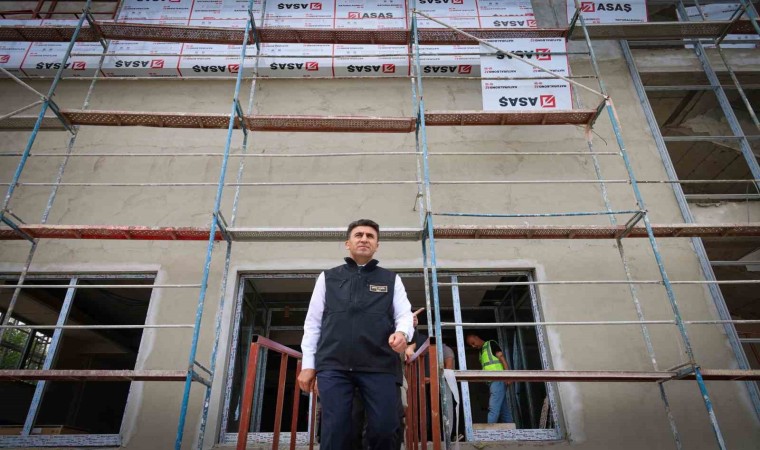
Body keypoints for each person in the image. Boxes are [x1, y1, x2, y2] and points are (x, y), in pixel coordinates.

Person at [298, 219, 414, 450]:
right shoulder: (327, 278)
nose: (364, 239)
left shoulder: (391, 279)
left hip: (379, 366)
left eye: (370, 236)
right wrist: (309, 365)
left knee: (384, 429)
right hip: (334, 366)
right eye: (358, 235)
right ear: (347, 243)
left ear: (377, 245)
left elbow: (405, 315)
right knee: (336, 431)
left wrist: (402, 333)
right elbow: (312, 324)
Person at [466, 334, 513, 424]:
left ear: (477, 337)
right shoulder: (481, 352)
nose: (473, 346)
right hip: (492, 382)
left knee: (493, 408)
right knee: (503, 409)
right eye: (471, 345)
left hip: (498, 379)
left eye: (473, 343)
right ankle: (512, 431)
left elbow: (501, 358)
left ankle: (488, 431)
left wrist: (508, 375)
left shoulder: (490, 344)